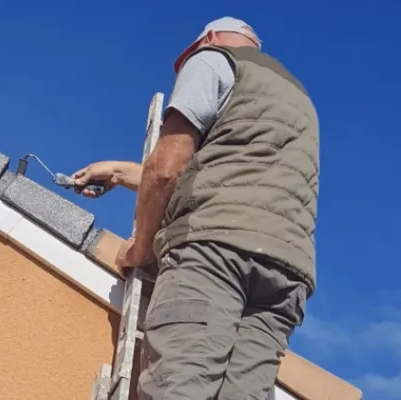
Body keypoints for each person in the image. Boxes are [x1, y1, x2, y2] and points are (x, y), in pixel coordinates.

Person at [72, 16, 319, 400]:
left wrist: (139, 248)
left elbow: (169, 167)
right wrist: (119, 173)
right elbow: (228, 173)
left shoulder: (214, 60)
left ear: (211, 40)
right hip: (285, 275)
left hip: (214, 254)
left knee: (180, 387)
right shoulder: (297, 98)